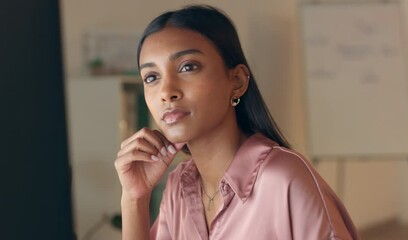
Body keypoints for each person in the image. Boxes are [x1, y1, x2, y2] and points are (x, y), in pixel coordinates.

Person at [114, 4, 359, 240]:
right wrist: (135, 197)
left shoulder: (282, 178)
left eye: (188, 67)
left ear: (238, 81)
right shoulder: (180, 185)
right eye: (151, 77)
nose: (166, 91)